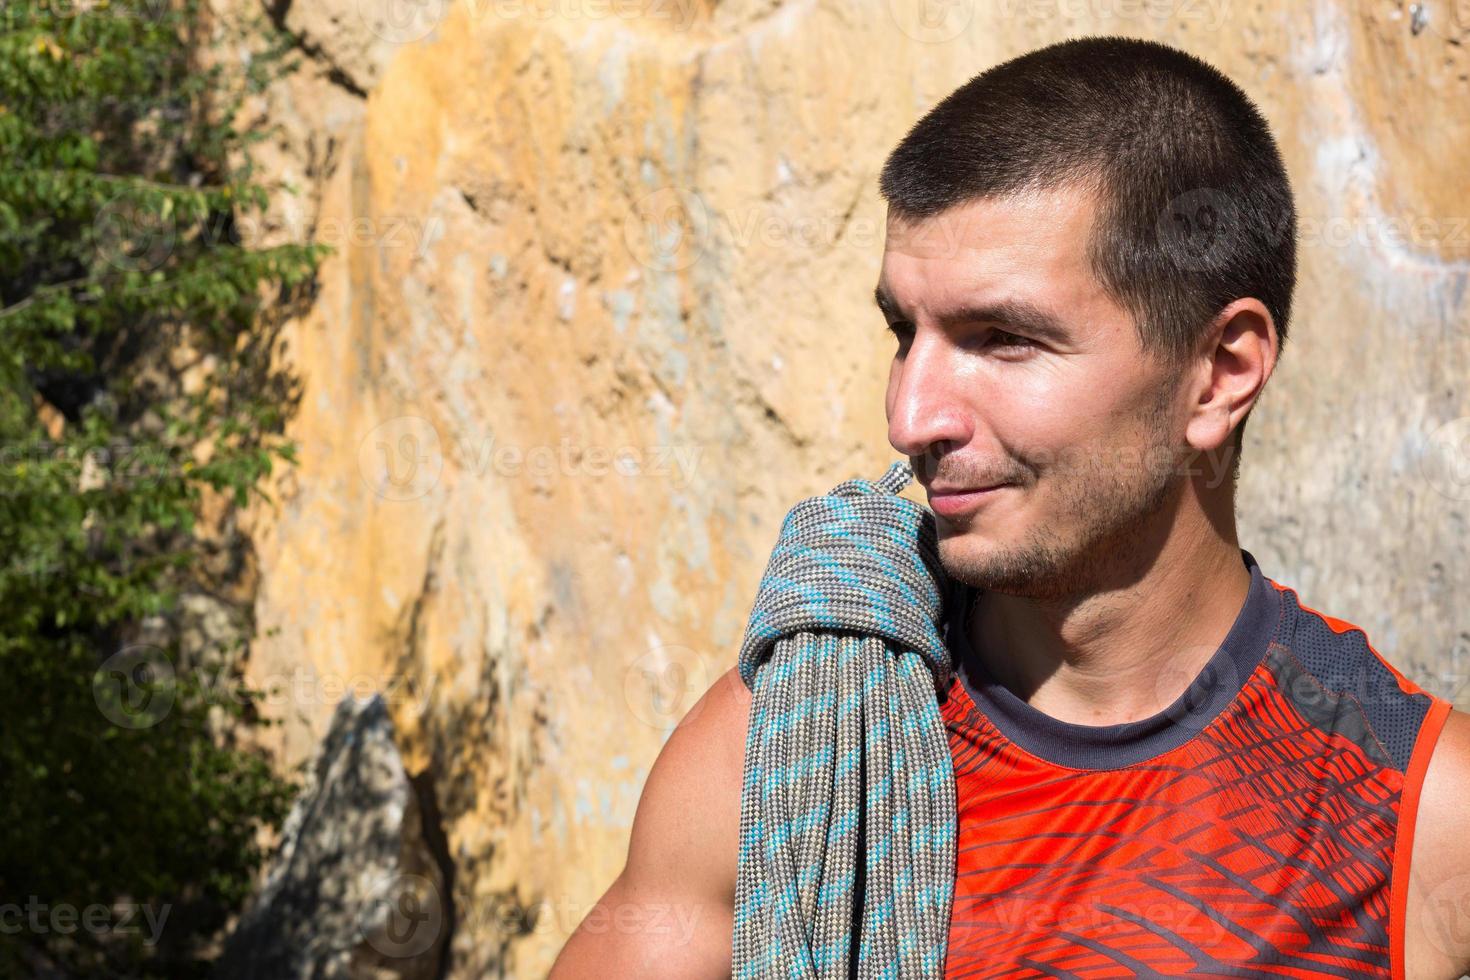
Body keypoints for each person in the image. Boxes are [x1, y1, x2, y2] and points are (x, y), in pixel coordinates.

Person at [549, 35, 1470, 979]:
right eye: (905, 333)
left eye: (1003, 339)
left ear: (1219, 374)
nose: (911, 415)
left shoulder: (1417, 820)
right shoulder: (799, 749)